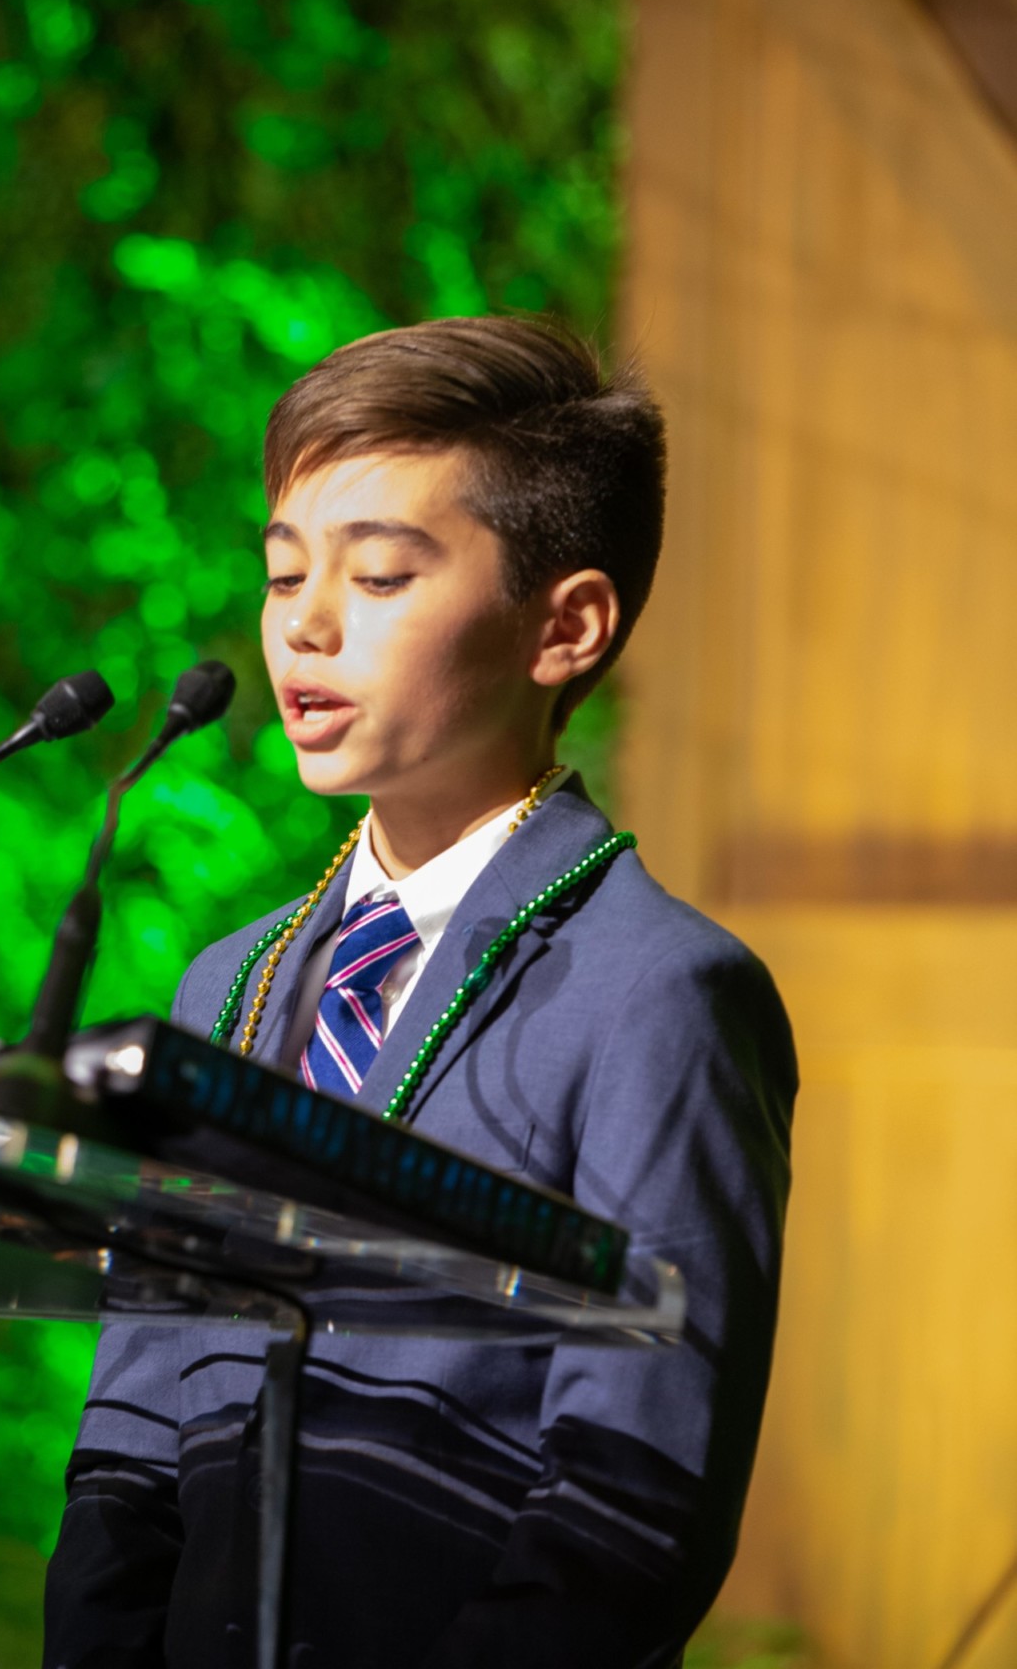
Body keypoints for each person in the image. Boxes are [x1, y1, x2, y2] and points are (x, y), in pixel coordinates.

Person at [44, 314, 797, 1669]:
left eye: (380, 576)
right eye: (283, 577)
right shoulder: (228, 985)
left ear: (564, 626)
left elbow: (635, 1497)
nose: (305, 627)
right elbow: (132, 1442)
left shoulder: (659, 994)